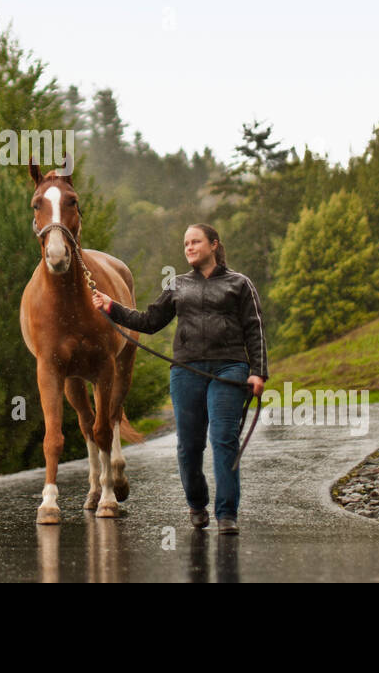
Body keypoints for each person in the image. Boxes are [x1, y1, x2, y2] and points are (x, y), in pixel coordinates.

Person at [91, 224, 267, 535]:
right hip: (186, 371)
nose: (189, 247)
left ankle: (227, 514)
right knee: (188, 446)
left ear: (214, 245)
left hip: (230, 370)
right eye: (185, 243)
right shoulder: (177, 285)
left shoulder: (240, 284)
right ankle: (197, 504)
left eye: (195, 241)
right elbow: (149, 321)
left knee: (224, 441)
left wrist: (258, 371)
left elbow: (255, 329)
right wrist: (111, 307)